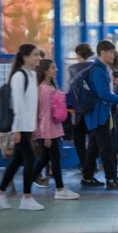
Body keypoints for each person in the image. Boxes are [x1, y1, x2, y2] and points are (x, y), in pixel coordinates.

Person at [0, 44, 45, 211]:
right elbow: (17, 105)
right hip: (20, 127)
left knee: (17, 161)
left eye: (38, 55)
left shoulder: (32, 74)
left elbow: (30, 105)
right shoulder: (19, 77)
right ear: (25, 57)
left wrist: (32, 127)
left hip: (27, 127)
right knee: (30, 159)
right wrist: (17, 129)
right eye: (35, 55)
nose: (38, 58)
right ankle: (26, 198)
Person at [81, 40, 118, 189]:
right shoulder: (98, 70)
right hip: (99, 115)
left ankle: (87, 176)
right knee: (107, 148)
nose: (113, 55)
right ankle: (111, 178)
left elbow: (106, 91)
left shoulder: (103, 69)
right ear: (102, 52)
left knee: (94, 147)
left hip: (100, 114)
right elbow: (102, 94)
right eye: (111, 52)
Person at [32, 59, 79, 200]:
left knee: (45, 158)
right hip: (48, 132)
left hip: (52, 129)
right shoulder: (45, 90)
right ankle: (60, 189)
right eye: (53, 68)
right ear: (45, 71)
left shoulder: (48, 86)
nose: (56, 70)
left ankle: (29, 180)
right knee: (55, 159)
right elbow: (44, 114)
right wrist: (45, 136)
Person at [68, 43, 95, 171]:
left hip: (78, 110)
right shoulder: (95, 66)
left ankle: (85, 164)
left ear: (78, 54)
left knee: (79, 140)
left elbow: (71, 90)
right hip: (93, 108)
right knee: (94, 139)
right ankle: (92, 164)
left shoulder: (72, 69)